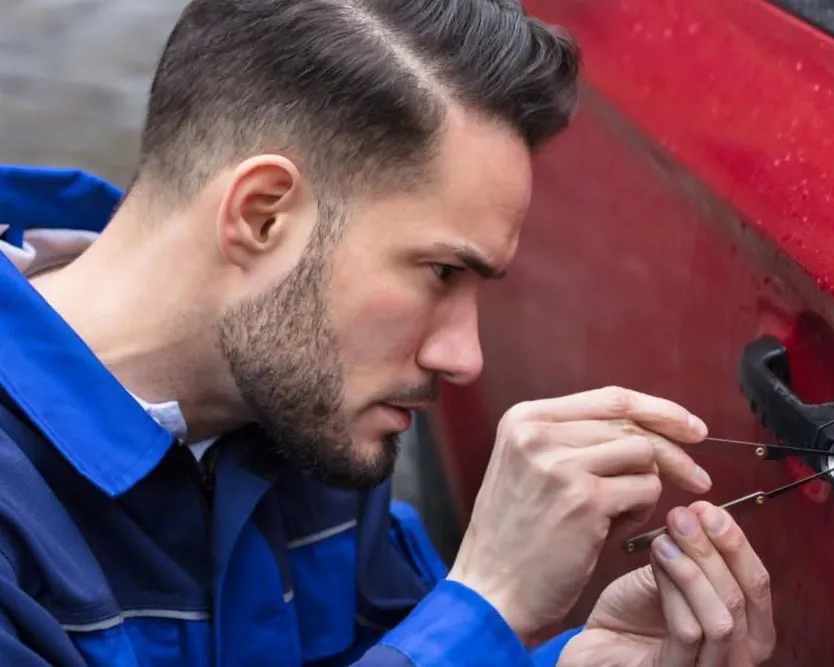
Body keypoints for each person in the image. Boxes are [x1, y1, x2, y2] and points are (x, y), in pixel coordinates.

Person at [0, 1, 776, 665]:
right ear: (263, 213)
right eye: (440, 272)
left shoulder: (297, 413)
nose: (463, 359)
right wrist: (491, 601)